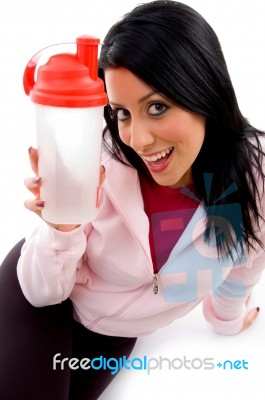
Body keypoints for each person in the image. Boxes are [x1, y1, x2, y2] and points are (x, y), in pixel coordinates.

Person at [0, 1, 264, 399]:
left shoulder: (252, 179)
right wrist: (62, 227)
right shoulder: (95, 158)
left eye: (156, 108)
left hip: (112, 335)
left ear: (205, 92)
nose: (137, 139)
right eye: (121, 112)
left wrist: (226, 321)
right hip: (41, 291)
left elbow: (247, 257)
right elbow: (42, 291)